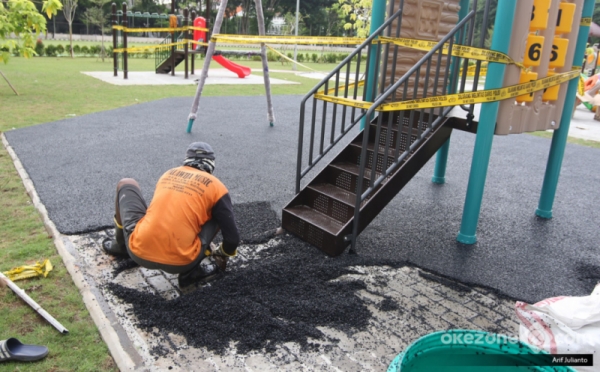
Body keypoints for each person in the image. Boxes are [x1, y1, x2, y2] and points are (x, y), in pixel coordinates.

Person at [102, 142, 240, 289]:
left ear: (187, 159)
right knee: (219, 212)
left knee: (126, 182)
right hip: (181, 263)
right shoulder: (217, 187)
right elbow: (232, 240)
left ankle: (121, 247)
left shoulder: (168, 174)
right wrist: (220, 252)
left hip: (137, 251)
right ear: (211, 163)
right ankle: (190, 274)